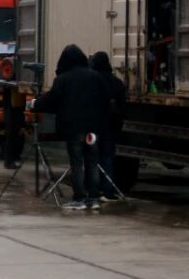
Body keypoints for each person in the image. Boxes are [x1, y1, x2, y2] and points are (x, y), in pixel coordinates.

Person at [32, 44, 110, 210]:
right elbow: (105, 101)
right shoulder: (96, 77)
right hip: (93, 129)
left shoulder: (63, 79)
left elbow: (51, 101)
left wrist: (35, 104)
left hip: (73, 129)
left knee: (76, 162)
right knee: (92, 161)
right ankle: (94, 198)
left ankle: (79, 198)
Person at [88, 51, 126, 199]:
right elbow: (123, 108)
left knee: (92, 158)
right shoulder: (117, 83)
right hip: (111, 126)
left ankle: (92, 190)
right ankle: (108, 191)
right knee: (108, 158)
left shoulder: (92, 81)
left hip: (94, 126)